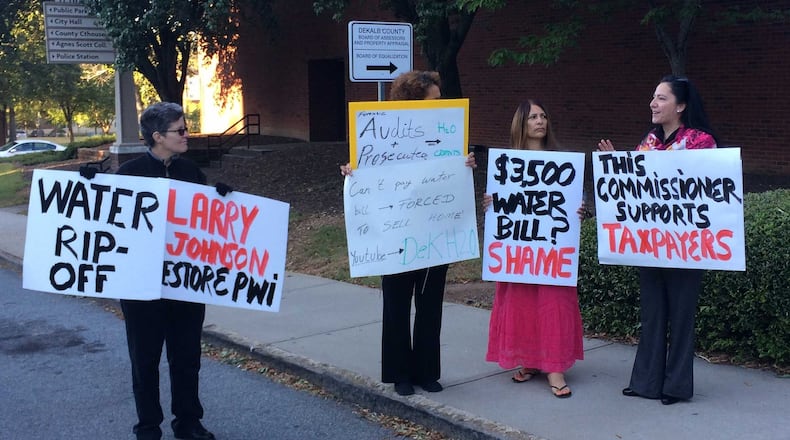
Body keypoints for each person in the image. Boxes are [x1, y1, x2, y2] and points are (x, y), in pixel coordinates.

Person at [340, 70, 475, 396]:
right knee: (397, 305)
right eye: (435, 99)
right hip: (395, 233)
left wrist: (466, 163)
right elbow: (368, 171)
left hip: (435, 231)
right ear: (414, 100)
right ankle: (400, 373)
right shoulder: (384, 131)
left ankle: (427, 371)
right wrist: (350, 173)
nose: (441, 104)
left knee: (431, 306)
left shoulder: (448, 133)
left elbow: (450, 173)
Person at [598, 75, 719, 405]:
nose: (653, 103)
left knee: (681, 316)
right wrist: (616, 164)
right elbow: (636, 189)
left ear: (680, 106)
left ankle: (676, 386)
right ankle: (646, 382)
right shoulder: (648, 142)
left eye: (662, 98)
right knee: (652, 315)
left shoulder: (701, 142)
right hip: (651, 246)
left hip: (686, 248)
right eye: (653, 97)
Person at [116, 102, 222, 440]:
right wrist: (90, 186)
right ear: (158, 136)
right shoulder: (129, 173)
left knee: (187, 358)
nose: (187, 135)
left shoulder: (191, 171)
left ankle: (188, 422)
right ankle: (148, 426)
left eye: (185, 128)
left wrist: (222, 199)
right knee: (144, 361)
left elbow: (210, 223)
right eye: (180, 130)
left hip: (186, 283)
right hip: (141, 287)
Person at [483, 100, 585, 398]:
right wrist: (491, 204)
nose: (540, 121)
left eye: (543, 115)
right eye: (533, 117)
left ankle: (554, 367)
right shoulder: (507, 164)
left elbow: (572, 202)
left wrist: (580, 210)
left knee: (553, 303)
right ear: (521, 124)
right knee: (521, 302)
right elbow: (501, 206)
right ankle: (528, 359)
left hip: (551, 251)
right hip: (520, 251)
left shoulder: (562, 162)